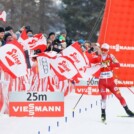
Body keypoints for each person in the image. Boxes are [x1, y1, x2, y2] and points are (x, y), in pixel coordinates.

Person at [98, 43, 134, 122]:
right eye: (102, 49)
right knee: (103, 97)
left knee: (119, 96)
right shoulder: (98, 56)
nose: (103, 51)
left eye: (105, 50)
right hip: (102, 82)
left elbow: (118, 64)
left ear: (108, 50)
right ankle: (103, 114)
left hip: (111, 82)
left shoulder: (111, 56)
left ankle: (127, 110)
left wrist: (108, 64)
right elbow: (92, 64)